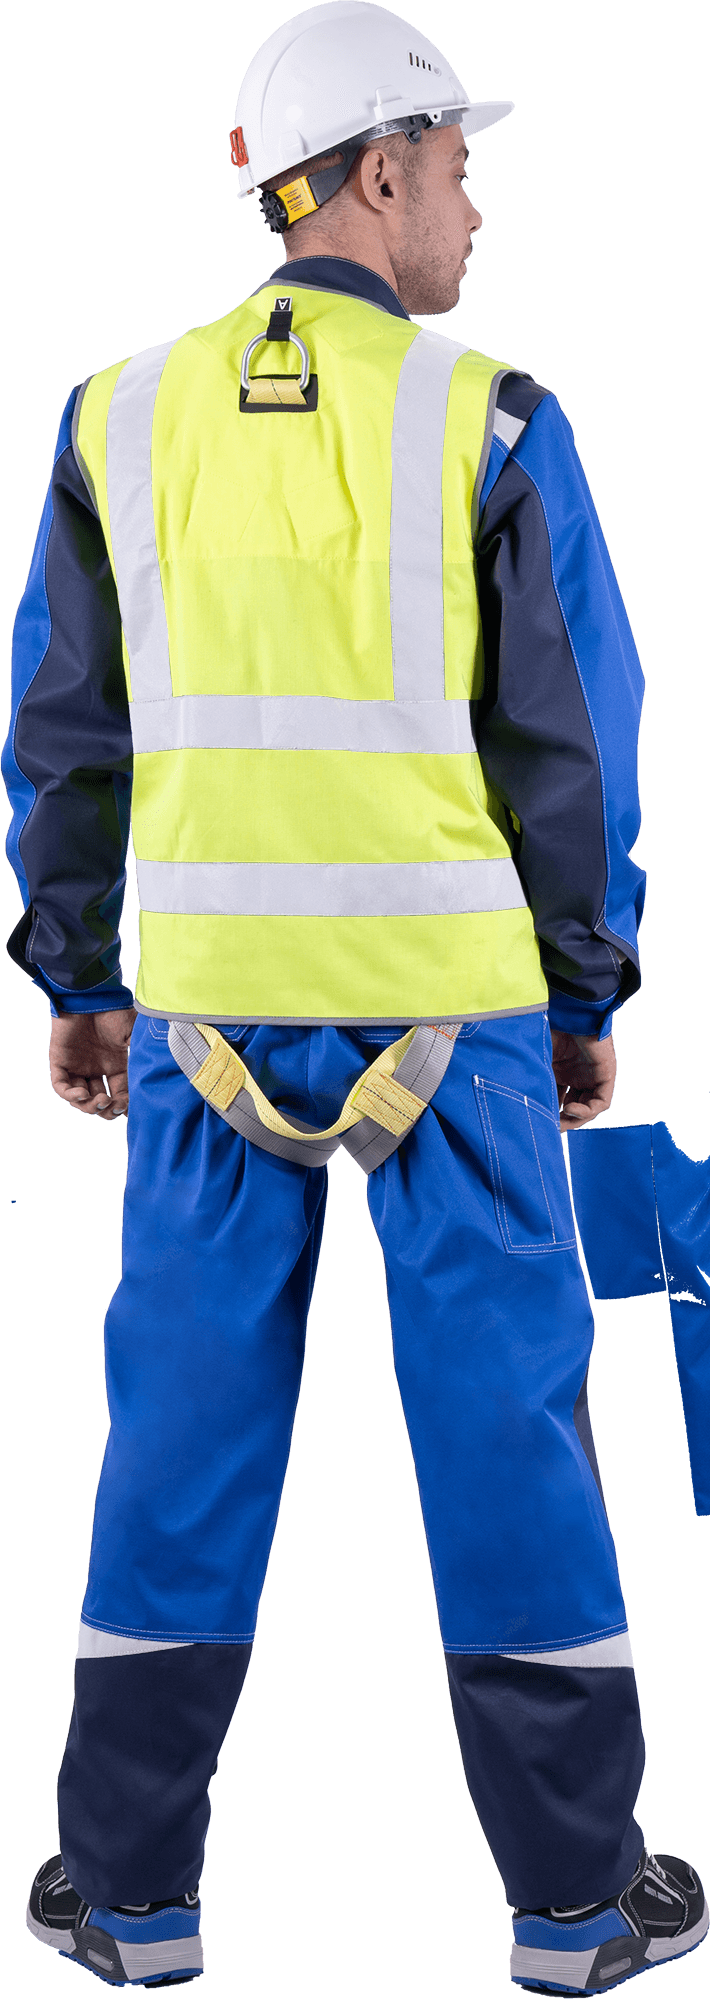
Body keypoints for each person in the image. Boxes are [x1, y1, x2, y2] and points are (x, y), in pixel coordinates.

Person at [7, 6, 706, 1990]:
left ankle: (129, 1904)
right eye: (460, 172)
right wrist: (584, 993)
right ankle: (574, 1914)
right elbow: (575, 745)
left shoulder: (116, 420)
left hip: (200, 1021)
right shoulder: (492, 421)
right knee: (507, 1436)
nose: (474, 214)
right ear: (378, 172)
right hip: (458, 1024)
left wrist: (81, 974)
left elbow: (64, 735)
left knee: (177, 1436)